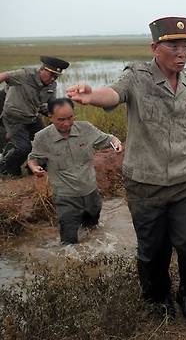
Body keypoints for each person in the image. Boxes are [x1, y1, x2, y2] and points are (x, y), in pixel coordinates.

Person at [66, 17, 186, 322]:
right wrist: (91, 95)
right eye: (173, 45)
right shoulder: (136, 76)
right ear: (154, 47)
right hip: (145, 183)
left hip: (184, 180)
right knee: (153, 250)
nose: (181, 52)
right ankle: (157, 299)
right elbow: (113, 94)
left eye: (185, 46)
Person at [27, 98, 122, 244]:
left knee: (93, 231)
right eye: (61, 120)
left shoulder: (85, 129)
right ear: (50, 117)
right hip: (66, 197)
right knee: (69, 241)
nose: (67, 123)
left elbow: (108, 139)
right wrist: (34, 167)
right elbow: (33, 158)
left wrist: (116, 143)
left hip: (91, 192)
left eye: (70, 118)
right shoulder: (42, 137)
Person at [0, 56, 70, 176]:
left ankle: (34, 167)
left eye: (56, 76)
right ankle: (7, 169)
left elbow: (51, 105)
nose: (53, 79)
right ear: (42, 70)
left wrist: (60, 116)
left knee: (46, 142)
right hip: (13, 117)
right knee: (24, 148)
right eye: (51, 75)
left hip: (32, 117)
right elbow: (5, 75)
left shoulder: (51, 86)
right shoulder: (24, 75)